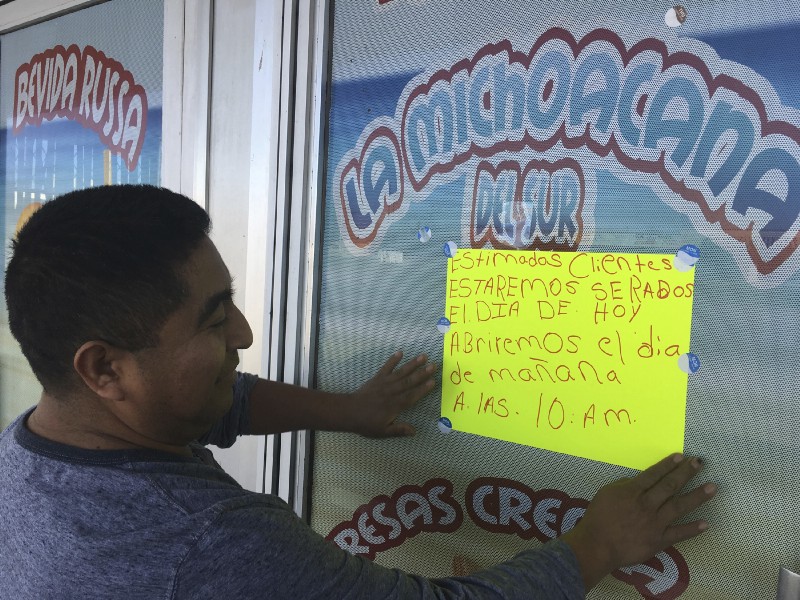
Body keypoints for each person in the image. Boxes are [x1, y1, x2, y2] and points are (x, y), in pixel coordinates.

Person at [0, 184, 716, 599]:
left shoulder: (32, 448)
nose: (244, 333)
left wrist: (348, 412)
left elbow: (219, 404)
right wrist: (596, 544)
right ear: (105, 370)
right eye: (214, 319)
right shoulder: (213, 545)